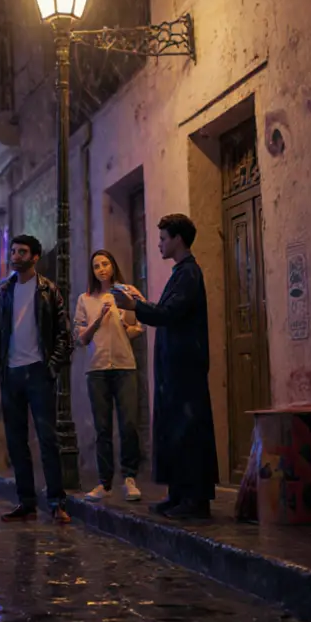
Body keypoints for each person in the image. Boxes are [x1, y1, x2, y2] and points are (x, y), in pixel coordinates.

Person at [114, 214, 218, 519]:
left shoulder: (189, 274)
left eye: (163, 238)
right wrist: (142, 303)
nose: (158, 244)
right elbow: (166, 311)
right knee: (174, 429)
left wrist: (135, 306)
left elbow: (170, 313)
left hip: (186, 367)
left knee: (189, 431)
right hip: (174, 366)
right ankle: (178, 494)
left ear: (178, 239)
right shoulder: (180, 273)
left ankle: (195, 499)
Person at [0, 235, 74, 524]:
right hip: (11, 373)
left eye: (22, 252)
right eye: (13, 251)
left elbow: (64, 335)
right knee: (16, 441)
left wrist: (51, 367)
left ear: (35, 257)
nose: (15, 256)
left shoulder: (49, 290)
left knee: (48, 439)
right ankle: (26, 503)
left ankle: (57, 502)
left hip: (38, 372)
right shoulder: (3, 292)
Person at [74, 250, 143, 502]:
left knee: (129, 424)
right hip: (97, 368)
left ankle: (130, 478)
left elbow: (137, 329)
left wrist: (128, 321)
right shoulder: (85, 299)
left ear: (113, 266)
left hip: (125, 365)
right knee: (102, 428)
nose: (101, 269)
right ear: (92, 272)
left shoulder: (126, 293)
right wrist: (98, 319)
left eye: (105, 264)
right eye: (96, 266)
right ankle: (105, 483)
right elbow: (81, 339)